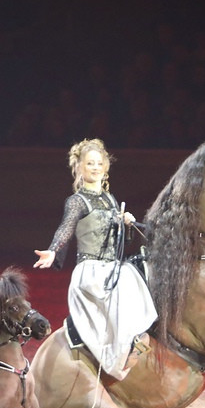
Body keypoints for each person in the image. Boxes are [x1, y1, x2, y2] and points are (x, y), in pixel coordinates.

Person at [33, 138, 156, 380]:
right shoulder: (77, 201)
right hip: (91, 271)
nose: (96, 167)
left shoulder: (110, 199)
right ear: (79, 167)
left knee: (139, 275)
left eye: (100, 163)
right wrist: (54, 250)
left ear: (106, 166)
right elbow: (64, 230)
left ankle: (136, 342)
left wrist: (125, 223)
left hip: (112, 267)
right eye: (90, 163)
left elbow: (120, 240)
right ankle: (117, 356)